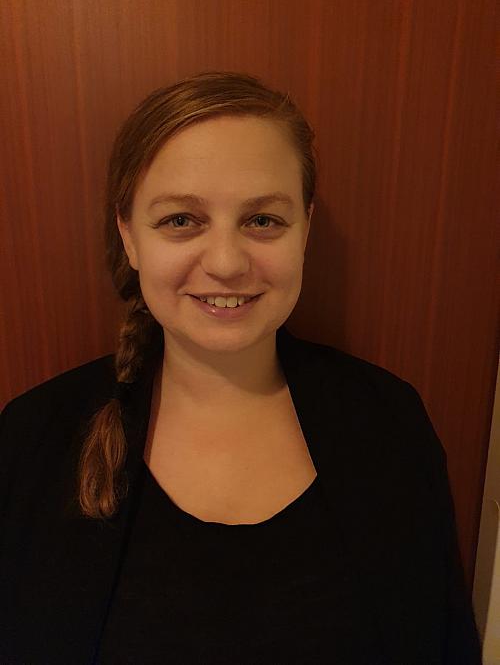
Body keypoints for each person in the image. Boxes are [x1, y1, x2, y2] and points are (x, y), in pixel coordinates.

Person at [0, 71, 482, 665]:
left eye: (262, 220)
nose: (227, 263)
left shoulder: (389, 423)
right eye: (181, 220)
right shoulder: (33, 438)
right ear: (128, 236)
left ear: (305, 230)